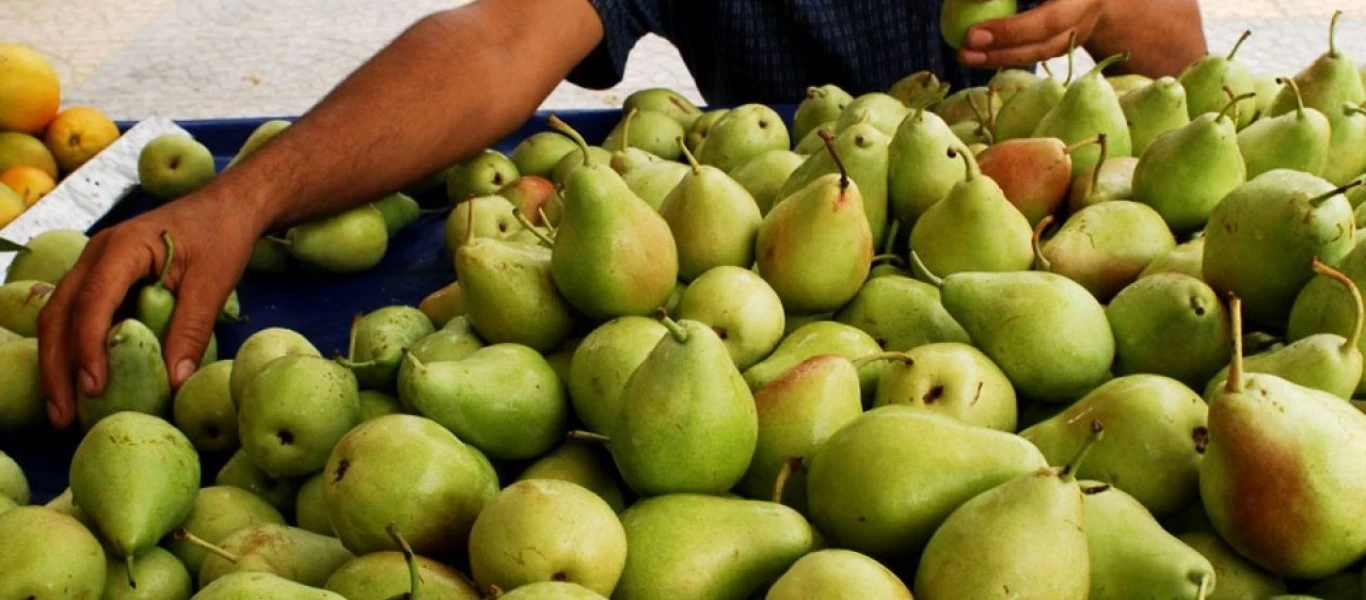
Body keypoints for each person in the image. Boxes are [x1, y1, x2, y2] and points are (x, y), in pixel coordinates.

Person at [37, 0, 1207, 429]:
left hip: (1042, 226)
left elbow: (1182, 63)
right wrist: (250, 193)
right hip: (763, 242)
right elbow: (500, 35)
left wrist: (1104, 6)